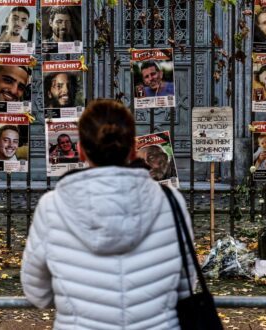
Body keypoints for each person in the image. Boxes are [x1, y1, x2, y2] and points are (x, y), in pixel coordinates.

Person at [21, 99, 199, 329]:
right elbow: (186, 286)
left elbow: (38, 293)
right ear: (134, 150)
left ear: (81, 151)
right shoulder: (171, 201)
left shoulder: (51, 206)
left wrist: (78, 300)